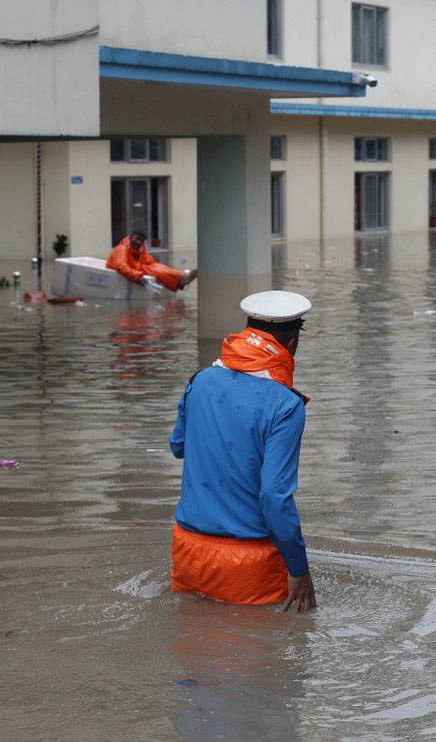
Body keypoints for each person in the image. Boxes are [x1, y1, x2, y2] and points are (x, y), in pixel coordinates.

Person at [168, 290, 317, 613]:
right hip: (250, 566)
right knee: (265, 657)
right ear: (291, 344)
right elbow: (274, 497)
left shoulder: (200, 380)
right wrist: (299, 570)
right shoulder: (287, 404)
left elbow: (178, 446)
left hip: (187, 550)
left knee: (191, 649)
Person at [106, 231, 197, 291]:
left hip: (133, 268)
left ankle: (181, 278)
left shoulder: (140, 251)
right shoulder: (122, 249)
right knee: (149, 268)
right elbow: (120, 266)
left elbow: (152, 263)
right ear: (130, 238)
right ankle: (181, 279)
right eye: (137, 239)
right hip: (120, 272)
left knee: (154, 267)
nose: (139, 243)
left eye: (142, 241)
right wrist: (137, 277)